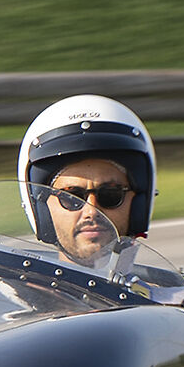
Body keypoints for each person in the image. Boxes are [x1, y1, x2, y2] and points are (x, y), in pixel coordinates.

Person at [17, 96, 158, 269]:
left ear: (138, 203)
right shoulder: (6, 294)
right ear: (40, 206)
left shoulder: (175, 296)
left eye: (111, 195)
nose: (91, 210)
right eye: (71, 196)